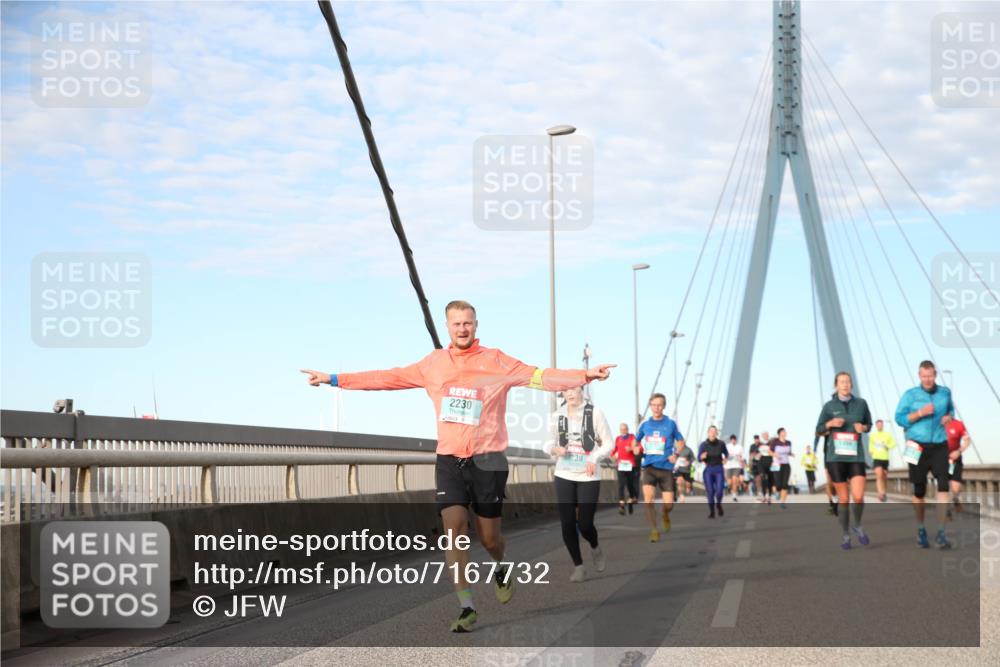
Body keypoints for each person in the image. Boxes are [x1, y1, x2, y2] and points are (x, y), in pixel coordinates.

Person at [301, 300, 615, 632]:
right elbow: (388, 377)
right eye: (456, 324)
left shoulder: (497, 361)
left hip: (488, 461)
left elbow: (540, 376)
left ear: (476, 325)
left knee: (490, 538)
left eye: (468, 323)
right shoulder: (434, 364)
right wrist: (333, 379)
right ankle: (467, 606)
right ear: (448, 327)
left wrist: (584, 375)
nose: (462, 329)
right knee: (454, 530)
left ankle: (500, 564)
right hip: (450, 459)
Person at [547, 386, 615, 582]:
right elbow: (547, 443)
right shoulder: (557, 415)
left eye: (574, 389)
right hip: (564, 473)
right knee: (567, 523)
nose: (570, 393)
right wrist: (555, 449)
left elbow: (608, 443)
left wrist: (594, 457)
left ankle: (595, 547)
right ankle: (579, 566)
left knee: (585, 524)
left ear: (582, 390)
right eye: (566, 390)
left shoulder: (595, 413)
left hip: (588, 475)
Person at [895, 360, 955, 550]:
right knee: (919, 491)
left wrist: (949, 417)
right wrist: (920, 413)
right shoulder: (910, 395)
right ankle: (921, 529)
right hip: (916, 446)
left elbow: (950, 410)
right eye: (924, 376)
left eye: (930, 376)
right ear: (919, 376)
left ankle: (941, 533)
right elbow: (899, 418)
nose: (927, 379)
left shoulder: (945, 392)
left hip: (939, 444)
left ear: (935, 375)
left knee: (943, 485)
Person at [816, 371, 872, 549]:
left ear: (851, 384)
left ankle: (857, 525)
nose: (845, 384)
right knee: (844, 498)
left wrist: (863, 427)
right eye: (841, 382)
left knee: (859, 496)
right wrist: (830, 424)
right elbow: (819, 429)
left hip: (856, 457)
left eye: (848, 381)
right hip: (836, 457)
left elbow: (869, 425)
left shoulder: (861, 404)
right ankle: (846, 535)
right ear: (836, 385)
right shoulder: (829, 407)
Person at [636, 393, 685, 543]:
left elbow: (681, 441)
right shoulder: (645, 425)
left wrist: (676, 454)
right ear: (650, 406)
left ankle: (665, 514)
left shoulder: (671, 424)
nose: (656, 408)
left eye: (659, 405)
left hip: (665, 467)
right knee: (648, 500)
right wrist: (636, 448)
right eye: (653, 405)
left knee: (669, 504)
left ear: (664, 406)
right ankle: (654, 530)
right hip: (649, 467)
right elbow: (635, 441)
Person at [698, 426, 729, 518]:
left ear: (716, 433)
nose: (712, 433)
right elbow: (698, 457)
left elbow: (726, 453)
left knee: (719, 490)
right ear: (708, 433)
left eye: (714, 431)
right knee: (710, 491)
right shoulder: (703, 445)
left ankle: (718, 504)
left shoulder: (721, 443)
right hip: (709, 469)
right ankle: (712, 511)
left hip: (719, 469)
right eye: (711, 431)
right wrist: (702, 457)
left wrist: (725, 459)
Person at [611, 423, 642, 515]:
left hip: (630, 465)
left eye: (625, 429)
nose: (623, 431)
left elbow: (639, 448)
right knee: (621, 485)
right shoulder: (618, 439)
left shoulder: (632, 437)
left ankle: (630, 500)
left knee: (630, 485)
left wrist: (632, 448)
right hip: (621, 465)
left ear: (627, 429)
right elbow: (615, 449)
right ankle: (621, 505)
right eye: (621, 429)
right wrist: (612, 455)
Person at [945, 418, 971, 516]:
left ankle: (955, 499)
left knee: (955, 488)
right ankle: (946, 511)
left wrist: (959, 451)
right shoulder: (935, 423)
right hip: (940, 460)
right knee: (943, 485)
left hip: (955, 459)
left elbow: (967, 440)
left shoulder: (958, 424)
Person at [869, 419, 896, 502]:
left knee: (884, 476)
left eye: (881, 424)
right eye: (878, 425)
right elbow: (870, 445)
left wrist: (887, 446)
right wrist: (871, 451)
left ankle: (884, 492)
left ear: (883, 425)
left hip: (885, 458)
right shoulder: (873, 435)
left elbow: (893, 444)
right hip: (876, 458)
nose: (880, 426)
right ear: (876, 426)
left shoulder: (887, 435)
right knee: (879, 474)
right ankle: (880, 493)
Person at [772, 428, 794, 509]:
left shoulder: (789, 442)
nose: (784, 433)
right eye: (783, 432)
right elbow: (770, 451)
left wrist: (791, 454)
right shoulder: (775, 442)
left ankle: (782, 502)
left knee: (785, 484)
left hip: (786, 465)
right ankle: (777, 492)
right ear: (779, 434)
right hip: (776, 464)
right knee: (778, 484)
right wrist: (775, 454)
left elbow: (788, 452)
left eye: (785, 432)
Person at [724, 434, 745, 500]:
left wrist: (741, 460)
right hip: (728, 466)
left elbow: (742, 456)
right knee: (730, 482)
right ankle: (730, 489)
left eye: (734, 440)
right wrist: (727, 457)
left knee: (735, 480)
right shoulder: (727, 446)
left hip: (737, 466)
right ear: (730, 440)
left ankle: (734, 495)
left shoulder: (739, 447)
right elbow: (723, 455)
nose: (733, 441)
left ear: (736, 440)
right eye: (732, 440)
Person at [758, 431, 774, 505]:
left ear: (768, 436)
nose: (765, 436)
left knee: (770, 480)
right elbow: (754, 452)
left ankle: (769, 496)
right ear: (762, 436)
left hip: (770, 461)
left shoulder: (771, 443)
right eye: (764, 435)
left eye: (766, 435)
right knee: (763, 478)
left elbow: (775, 452)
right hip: (761, 462)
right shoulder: (759, 443)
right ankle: (764, 495)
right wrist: (757, 455)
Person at [748, 435, 762, 499]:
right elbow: (751, 454)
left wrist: (758, 454)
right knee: (756, 479)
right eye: (755, 439)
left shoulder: (761, 445)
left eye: (757, 439)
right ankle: (758, 491)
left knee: (760, 478)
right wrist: (750, 465)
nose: (756, 440)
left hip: (761, 463)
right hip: (754, 464)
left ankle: (760, 491)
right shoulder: (752, 446)